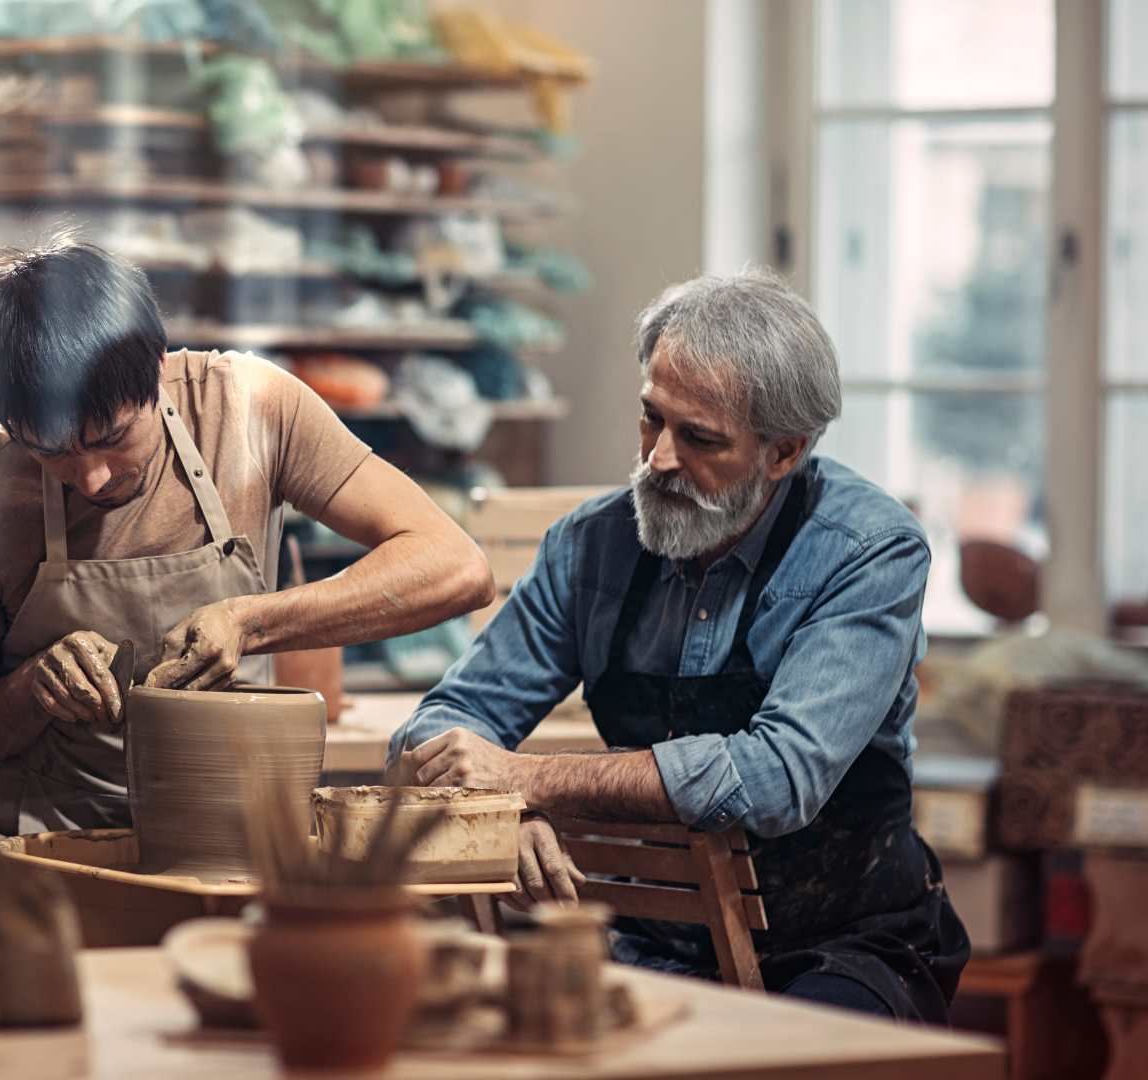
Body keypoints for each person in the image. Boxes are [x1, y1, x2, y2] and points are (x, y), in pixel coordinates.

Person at [387, 269, 969, 1020]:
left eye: (699, 438)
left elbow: (777, 775)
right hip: (644, 939)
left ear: (784, 453)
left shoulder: (867, 553)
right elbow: (439, 724)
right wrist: (502, 808)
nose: (659, 459)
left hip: (844, 943)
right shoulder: (590, 546)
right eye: (650, 419)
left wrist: (531, 779)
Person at [0, 239, 496, 837]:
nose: (90, 478)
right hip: (52, 835)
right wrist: (29, 690)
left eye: (112, 436)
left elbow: (456, 567)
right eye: (50, 451)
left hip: (240, 833)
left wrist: (252, 622)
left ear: (158, 367)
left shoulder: (249, 408)